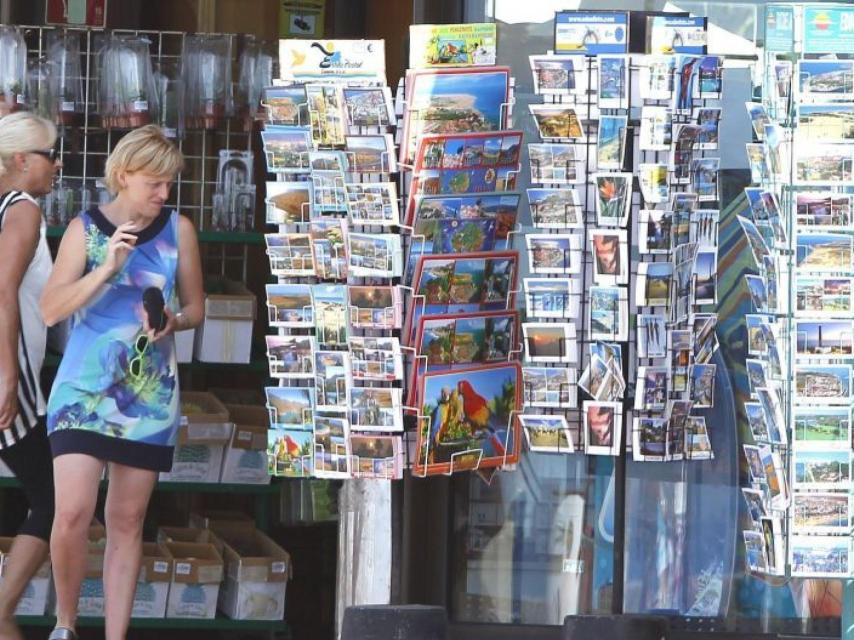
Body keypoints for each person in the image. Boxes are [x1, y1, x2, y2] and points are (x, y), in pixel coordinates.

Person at [41, 125, 204, 640]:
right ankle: (65, 624)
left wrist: (174, 321)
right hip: (83, 391)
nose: (163, 194)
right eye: (153, 182)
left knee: (127, 521)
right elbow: (50, 310)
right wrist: (106, 267)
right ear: (123, 174)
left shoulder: (179, 230)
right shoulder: (84, 229)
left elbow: (198, 307)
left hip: (148, 390)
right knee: (71, 512)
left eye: (169, 184)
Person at [0, 112, 61, 640]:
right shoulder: (23, 210)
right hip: (8, 372)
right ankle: (1, 612)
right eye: (49, 153)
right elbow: (3, 293)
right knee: (54, 496)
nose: (57, 163)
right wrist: (5, 377)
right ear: (22, 161)